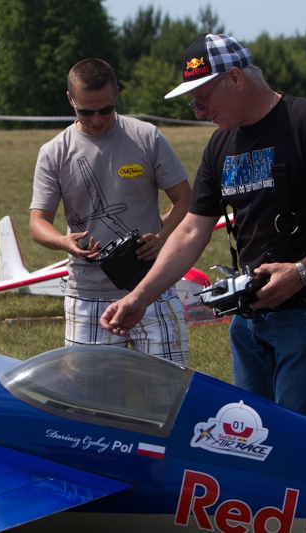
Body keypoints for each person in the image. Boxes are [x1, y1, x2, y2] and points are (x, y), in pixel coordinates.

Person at [100, 34, 306, 422]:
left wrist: (302, 272)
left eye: (202, 98)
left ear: (235, 79)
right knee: (249, 435)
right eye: (192, 101)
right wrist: (139, 297)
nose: (198, 111)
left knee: (299, 440)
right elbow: (189, 231)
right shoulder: (220, 146)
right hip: (247, 318)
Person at [30, 58, 192, 366]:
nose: (96, 119)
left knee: (170, 396)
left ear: (116, 94)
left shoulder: (147, 136)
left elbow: (185, 198)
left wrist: (161, 237)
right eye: (85, 111)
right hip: (87, 296)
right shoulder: (54, 152)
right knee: (90, 403)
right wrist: (64, 243)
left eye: (105, 109)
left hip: (152, 288)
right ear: (70, 99)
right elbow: (38, 222)